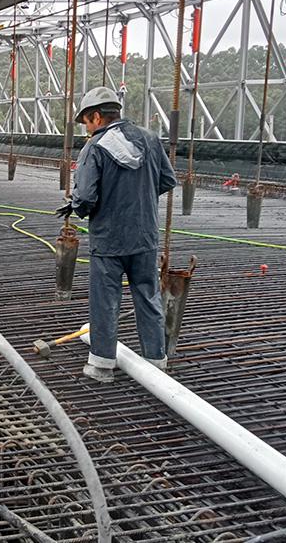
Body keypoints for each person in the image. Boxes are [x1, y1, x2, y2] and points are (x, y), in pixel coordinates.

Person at [56, 86, 177, 383]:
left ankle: (101, 365)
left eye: (86, 121)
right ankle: (155, 363)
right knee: (148, 297)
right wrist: (140, 196)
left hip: (109, 239)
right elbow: (167, 179)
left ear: (96, 116)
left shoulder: (94, 148)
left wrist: (78, 208)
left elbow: (84, 197)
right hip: (145, 236)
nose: (87, 128)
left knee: (105, 301)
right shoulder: (149, 139)